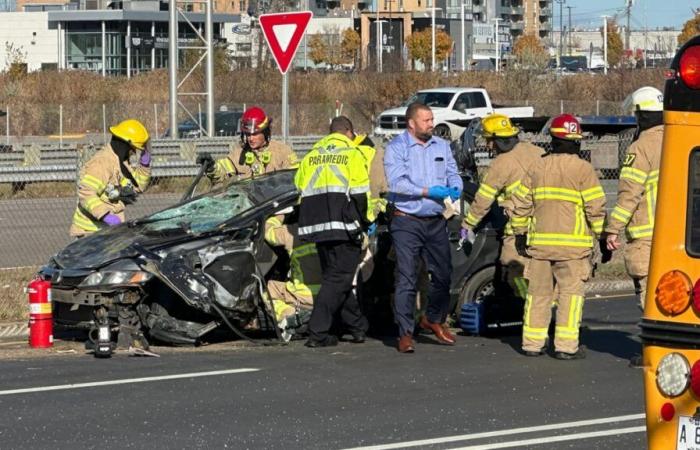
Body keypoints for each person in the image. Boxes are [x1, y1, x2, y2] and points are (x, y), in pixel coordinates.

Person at [511, 114, 606, 360]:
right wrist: (604, 238)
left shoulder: (537, 167)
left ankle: (532, 343)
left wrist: (520, 234)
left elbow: (520, 204)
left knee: (538, 296)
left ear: (552, 139)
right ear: (576, 142)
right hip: (573, 250)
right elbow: (595, 209)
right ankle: (565, 346)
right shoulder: (583, 169)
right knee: (570, 297)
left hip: (540, 247)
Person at [384, 102, 463, 353]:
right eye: (426, 120)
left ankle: (433, 318)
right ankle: (405, 332)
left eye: (432, 119)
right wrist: (428, 191)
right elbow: (397, 184)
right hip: (406, 220)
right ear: (412, 123)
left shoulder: (441, 146)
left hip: (435, 220)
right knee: (407, 277)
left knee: (444, 274)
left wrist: (455, 185)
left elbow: (452, 172)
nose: (431, 124)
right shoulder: (396, 148)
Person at [294, 116, 372, 348]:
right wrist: (362, 223)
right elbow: (359, 193)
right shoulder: (352, 153)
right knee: (338, 279)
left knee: (336, 278)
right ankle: (317, 333)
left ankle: (358, 327)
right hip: (344, 227)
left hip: (316, 228)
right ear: (349, 131)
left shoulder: (311, 156)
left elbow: (298, 185)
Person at [460, 114, 544, 300]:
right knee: (542, 274)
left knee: (514, 269)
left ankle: (529, 305)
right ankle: (546, 307)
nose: (489, 146)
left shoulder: (502, 162)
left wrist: (467, 225)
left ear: (499, 140)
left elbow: (483, 199)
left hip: (519, 228)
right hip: (546, 226)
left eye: (490, 141)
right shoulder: (537, 151)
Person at [605, 86, 664, 310]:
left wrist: (613, 229)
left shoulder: (640, 149)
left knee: (651, 302)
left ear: (642, 115)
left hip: (647, 237)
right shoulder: (681, 140)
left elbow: (629, 194)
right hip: (683, 237)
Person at [70, 119, 151, 237]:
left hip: (106, 231)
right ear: (125, 144)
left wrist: (144, 166)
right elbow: (86, 194)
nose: (133, 152)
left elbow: (137, 187)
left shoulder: (120, 163)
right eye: (133, 148)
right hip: (90, 232)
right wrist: (105, 215)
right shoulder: (102, 163)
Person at [197, 106, 297, 182]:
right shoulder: (239, 154)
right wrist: (211, 167)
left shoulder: (283, 152)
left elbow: (296, 179)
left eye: (255, 134)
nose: (250, 138)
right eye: (248, 134)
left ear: (265, 132)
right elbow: (221, 172)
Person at [264, 212, 321, 341]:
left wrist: (280, 216)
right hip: (329, 294)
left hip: (303, 295)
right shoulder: (331, 231)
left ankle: (290, 317)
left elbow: (269, 233)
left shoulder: (291, 231)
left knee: (267, 288)